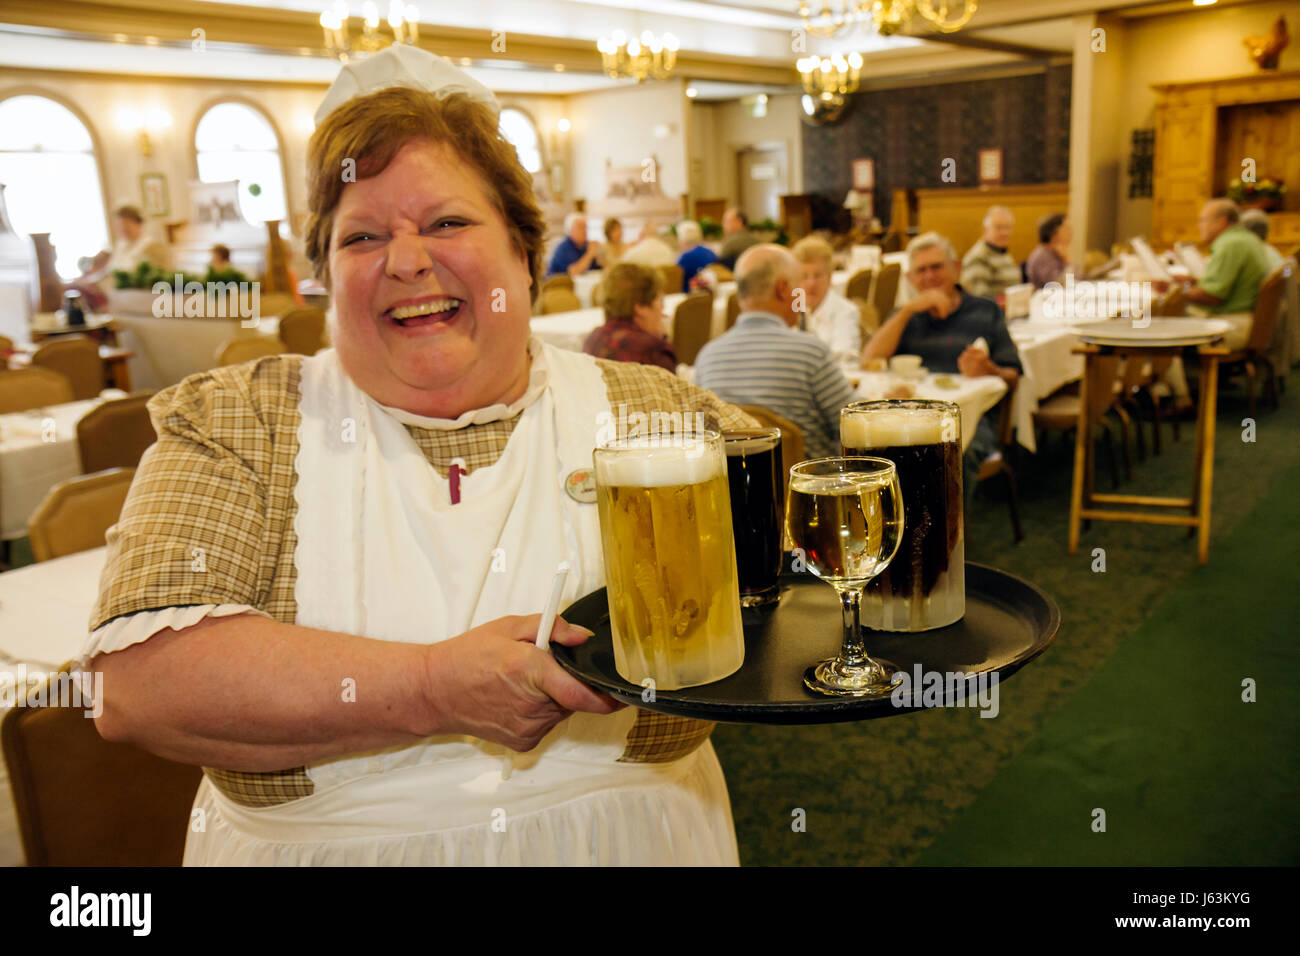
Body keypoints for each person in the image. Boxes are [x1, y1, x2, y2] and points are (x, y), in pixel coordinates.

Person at [83, 46, 751, 867]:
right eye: (363, 236)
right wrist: (432, 687)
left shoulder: (660, 411)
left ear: (524, 251)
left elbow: (782, 599)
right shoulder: (241, 420)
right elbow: (135, 688)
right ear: (325, 273)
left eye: (447, 222)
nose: (406, 260)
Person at [862, 232, 1023, 502]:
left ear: (956, 268)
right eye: (920, 270)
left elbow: (1013, 377)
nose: (929, 276)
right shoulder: (907, 315)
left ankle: (948, 540)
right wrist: (905, 312)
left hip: (972, 415)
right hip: (910, 416)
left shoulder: (985, 311)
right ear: (910, 279)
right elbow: (869, 360)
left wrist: (989, 369)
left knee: (950, 456)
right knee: (874, 449)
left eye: (936, 267)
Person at [695, 244, 855, 459]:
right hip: (809, 487)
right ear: (782, 289)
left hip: (733, 489)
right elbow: (853, 426)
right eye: (798, 288)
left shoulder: (707, 358)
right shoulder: (810, 352)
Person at [582, 262, 678, 373]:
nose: (662, 309)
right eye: (660, 301)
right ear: (641, 307)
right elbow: (672, 388)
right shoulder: (653, 351)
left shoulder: (592, 339)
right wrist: (662, 339)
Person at [792, 235, 860, 364]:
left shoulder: (846, 312)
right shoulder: (790, 311)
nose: (811, 283)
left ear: (829, 278)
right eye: (804, 276)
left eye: (818, 276)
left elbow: (842, 359)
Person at [960, 206, 1021, 300]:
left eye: (1008, 227)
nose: (1005, 233)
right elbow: (980, 298)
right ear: (985, 230)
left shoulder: (1002, 252)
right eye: (999, 228)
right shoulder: (978, 257)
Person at [1024, 213, 1071, 289]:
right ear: (1054, 233)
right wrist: (1067, 261)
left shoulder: (1056, 252)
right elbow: (1057, 286)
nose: (1070, 232)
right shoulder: (1042, 256)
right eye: (1067, 229)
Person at [546, 212, 600, 277]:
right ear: (570, 230)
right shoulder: (563, 248)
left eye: (586, 227)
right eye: (581, 227)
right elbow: (574, 272)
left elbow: (599, 267)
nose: (585, 231)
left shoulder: (586, 245)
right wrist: (590, 254)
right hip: (560, 285)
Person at [675, 219, 717, 293]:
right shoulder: (710, 252)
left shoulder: (685, 257)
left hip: (691, 295)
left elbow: (676, 280)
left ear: (682, 238)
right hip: (710, 293)